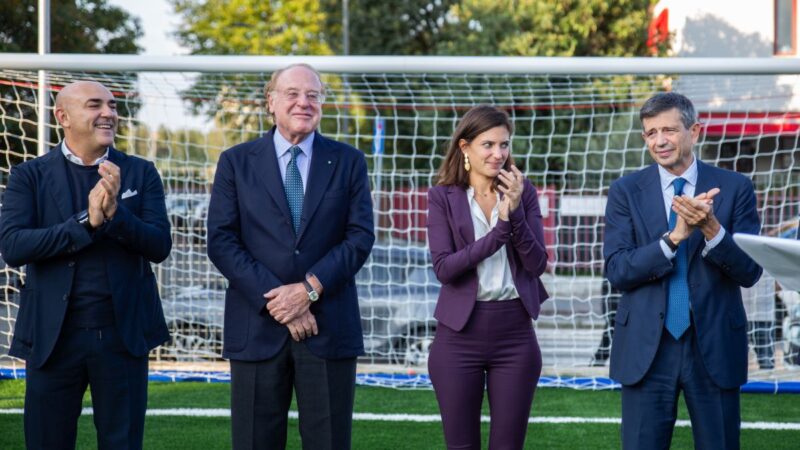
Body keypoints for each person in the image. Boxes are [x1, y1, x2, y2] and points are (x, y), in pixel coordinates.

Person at [206, 63, 375, 450]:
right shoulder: (236, 161)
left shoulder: (349, 161)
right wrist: (282, 301)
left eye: (313, 95)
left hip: (329, 327)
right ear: (271, 102)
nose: (304, 102)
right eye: (293, 93)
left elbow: (360, 237)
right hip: (257, 327)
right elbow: (221, 240)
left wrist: (309, 291)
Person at [0, 81, 172, 449]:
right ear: (63, 116)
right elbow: (13, 246)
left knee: (122, 443)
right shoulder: (29, 175)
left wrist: (115, 216)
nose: (109, 113)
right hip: (53, 338)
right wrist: (86, 223)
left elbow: (160, 245)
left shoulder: (141, 172)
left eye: (111, 105)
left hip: (123, 336)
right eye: (95, 105)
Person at [603, 92, 762, 449]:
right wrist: (672, 239)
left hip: (715, 346)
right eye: (650, 133)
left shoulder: (736, 188)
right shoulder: (625, 191)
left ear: (695, 131)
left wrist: (711, 229)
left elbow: (750, 272)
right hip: (647, 347)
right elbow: (618, 270)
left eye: (669, 130)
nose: (659, 141)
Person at [426, 105, 549, 450]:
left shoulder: (523, 192)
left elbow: (537, 263)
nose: (498, 154)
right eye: (488, 145)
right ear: (465, 147)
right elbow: (445, 269)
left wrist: (515, 213)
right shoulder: (442, 197)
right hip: (457, 335)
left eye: (504, 145)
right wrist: (500, 231)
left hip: (515, 334)